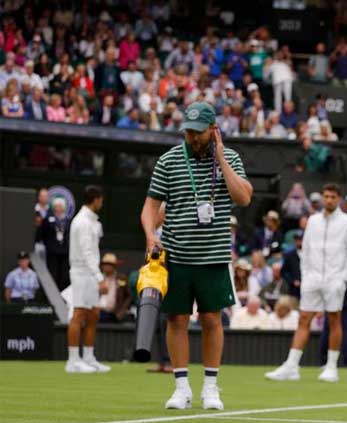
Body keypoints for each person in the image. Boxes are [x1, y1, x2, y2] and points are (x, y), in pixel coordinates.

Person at [141, 101, 253, 410]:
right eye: (188, 131)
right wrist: (151, 235)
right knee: (176, 318)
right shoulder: (169, 160)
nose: (191, 137)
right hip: (175, 253)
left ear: (213, 131)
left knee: (211, 319)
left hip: (213, 256)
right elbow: (151, 206)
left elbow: (243, 197)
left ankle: (211, 388)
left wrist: (220, 156)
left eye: (198, 132)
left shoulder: (229, 157)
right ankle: (181, 388)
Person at [265, 184, 347, 383]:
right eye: (326, 196)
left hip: (335, 280)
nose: (329, 200)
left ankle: (332, 367)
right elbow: (306, 249)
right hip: (312, 279)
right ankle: (291, 366)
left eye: (333, 197)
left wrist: (342, 278)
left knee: (334, 319)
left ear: (339, 199)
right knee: (303, 319)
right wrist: (306, 274)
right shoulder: (313, 221)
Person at [66, 185, 110, 374]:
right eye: (101, 199)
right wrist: (100, 278)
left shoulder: (93, 221)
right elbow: (86, 252)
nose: (102, 202)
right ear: (95, 199)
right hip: (81, 272)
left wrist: (96, 275)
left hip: (91, 273)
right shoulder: (82, 222)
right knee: (79, 315)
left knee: (93, 315)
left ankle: (88, 357)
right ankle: (73, 360)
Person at [40, 197, 71, 291]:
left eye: (60, 206)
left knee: (64, 276)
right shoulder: (48, 220)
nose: (58, 209)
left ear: (63, 208)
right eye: (56, 207)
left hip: (64, 252)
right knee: (53, 274)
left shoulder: (68, 221)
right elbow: (44, 234)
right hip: (52, 252)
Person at [97, 253, 133, 323]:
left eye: (110, 265)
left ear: (114, 266)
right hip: (97, 313)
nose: (107, 267)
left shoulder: (121, 278)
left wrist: (122, 311)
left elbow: (129, 296)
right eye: (105, 264)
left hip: (114, 314)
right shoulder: (98, 278)